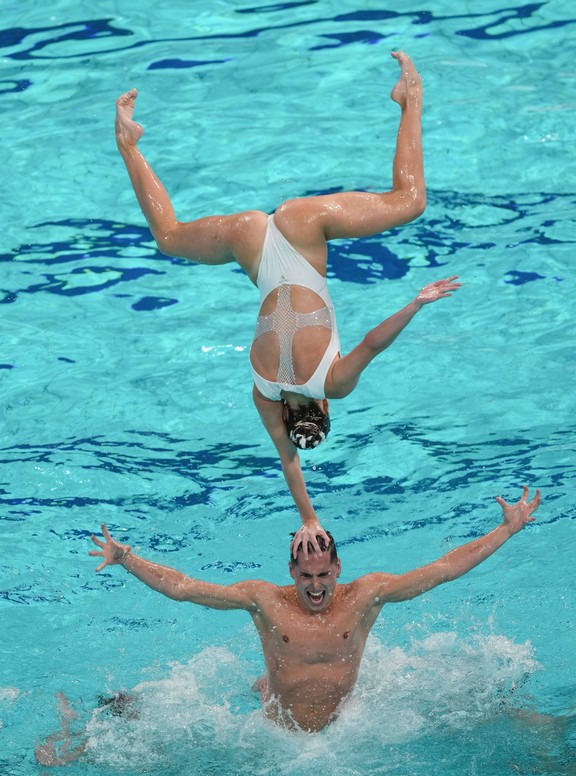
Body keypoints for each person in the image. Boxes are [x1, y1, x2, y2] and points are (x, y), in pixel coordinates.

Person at [114, 51, 461, 554]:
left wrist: (417, 302)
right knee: (168, 237)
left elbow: (372, 344)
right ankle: (128, 144)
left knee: (410, 201)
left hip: (302, 231)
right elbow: (286, 459)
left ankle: (410, 99)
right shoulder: (263, 392)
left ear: (323, 407)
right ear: (292, 416)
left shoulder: (331, 383)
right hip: (250, 243)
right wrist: (307, 516)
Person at [84, 485, 540, 734]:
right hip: (277, 733)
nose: (316, 587)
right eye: (306, 577)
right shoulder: (264, 600)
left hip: (344, 727)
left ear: (338, 568)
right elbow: (185, 588)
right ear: (291, 571)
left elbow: (442, 569)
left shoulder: (366, 595)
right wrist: (126, 558)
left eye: (324, 575)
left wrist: (507, 531)